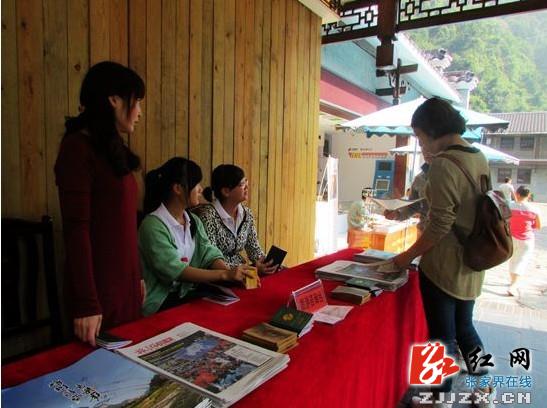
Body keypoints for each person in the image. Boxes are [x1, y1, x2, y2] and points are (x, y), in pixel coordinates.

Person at [391, 98, 494, 407]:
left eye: (420, 136)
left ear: (433, 130)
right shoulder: (477, 157)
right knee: (465, 327)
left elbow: (438, 226)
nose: (421, 143)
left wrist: (405, 257)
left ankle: (439, 398)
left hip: (443, 265)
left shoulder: (443, 164)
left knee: (441, 336)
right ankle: (484, 389)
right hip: (472, 260)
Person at [55, 61, 145, 346]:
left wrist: (138, 276)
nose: (139, 112)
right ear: (114, 100)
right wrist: (87, 304)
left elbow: (126, 224)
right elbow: (76, 230)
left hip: (125, 283)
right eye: (136, 102)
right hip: (99, 291)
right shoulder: (76, 148)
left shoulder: (111, 147)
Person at [138, 158, 253, 316]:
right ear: (178, 188)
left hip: (186, 294)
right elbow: (176, 271)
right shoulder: (152, 226)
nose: (200, 189)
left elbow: (208, 253)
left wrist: (232, 272)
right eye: (196, 184)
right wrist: (225, 274)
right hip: (161, 302)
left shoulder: (193, 220)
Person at [193, 164, 277, 274]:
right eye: (242, 184)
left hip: (243, 271)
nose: (247, 186)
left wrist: (265, 262)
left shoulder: (246, 214)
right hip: (218, 275)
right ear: (226, 191)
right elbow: (211, 260)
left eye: (246, 181)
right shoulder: (208, 216)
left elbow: (254, 249)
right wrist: (253, 269)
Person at [384, 149, 433, 234]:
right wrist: (397, 214)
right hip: (424, 230)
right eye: (422, 145)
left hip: (449, 235)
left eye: (430, 145)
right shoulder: (419, 178)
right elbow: (412, 207)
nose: (426, 149)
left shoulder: (453, 175)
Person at [507, 186, 542, 297]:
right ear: (529, 196)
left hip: (511, 238)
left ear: (516, 194)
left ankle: (513, 282)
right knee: (520, 261)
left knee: (513, 260)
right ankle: (513, 286)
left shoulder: (510, 206)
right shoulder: (534, 209)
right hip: (526, 241)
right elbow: (538, 226)